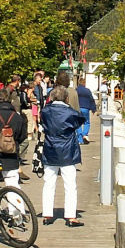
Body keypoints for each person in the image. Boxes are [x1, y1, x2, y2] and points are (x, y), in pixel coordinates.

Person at [39, 85, 85, 226]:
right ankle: (70, 216)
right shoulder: (70, 113)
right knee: (70, 184)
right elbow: (80, 120)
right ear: (66, 98)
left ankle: (47, 214)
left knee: (49, 183)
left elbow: (42, 125)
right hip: (67, 150)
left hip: (50, 148)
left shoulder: (45, 111)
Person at [75, 75, 96, 145]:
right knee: (87, 122)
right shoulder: (87, 91)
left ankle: (80, 139)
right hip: (86, 109)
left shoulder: (76, 90)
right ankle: (84, 134)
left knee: (78, 123)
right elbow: (91, 100)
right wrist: (93, 109)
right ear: (84, 83)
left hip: (78, 108)